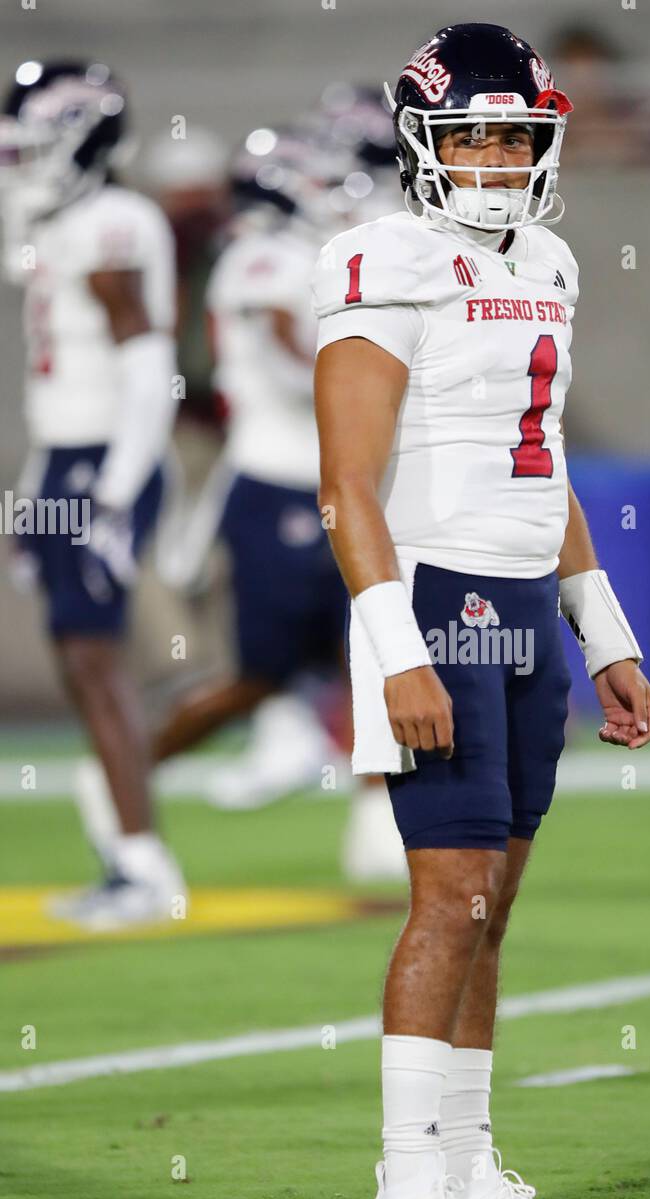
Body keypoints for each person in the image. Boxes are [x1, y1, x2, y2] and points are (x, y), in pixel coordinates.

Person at [313, 23, 650, 1199]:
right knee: (449, 893)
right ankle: (409, 1192)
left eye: (517, 132)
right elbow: (346, 484)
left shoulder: (554, 261)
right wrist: (395, 647)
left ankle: (468, 1167)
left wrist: (601, 625)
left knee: (493, 901)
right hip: (435, 598)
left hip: (523, 602)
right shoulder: (382, 256)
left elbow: (545, 459)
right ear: (424, 141)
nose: (501, 155)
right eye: (474, 134)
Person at [148, 117, 406, 880]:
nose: (332, 195)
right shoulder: (262, 258)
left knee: (368, 652)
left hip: (336, 483)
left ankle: (375, 830)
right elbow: (303, 372)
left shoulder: (301, 254)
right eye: (314, 182)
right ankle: (125, 772)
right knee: (258, 676)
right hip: (277, 484)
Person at [0, 59, 184, 928]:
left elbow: (148, 370)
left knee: (96, 661)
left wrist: (112, 493)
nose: (22, 158)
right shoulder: (61, 219)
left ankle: (144, 866)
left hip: (107, 459)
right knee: (79, 660)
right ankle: (128, 856)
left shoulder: (110, 222)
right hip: (67, 461)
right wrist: (36, 498)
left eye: (37, 141)